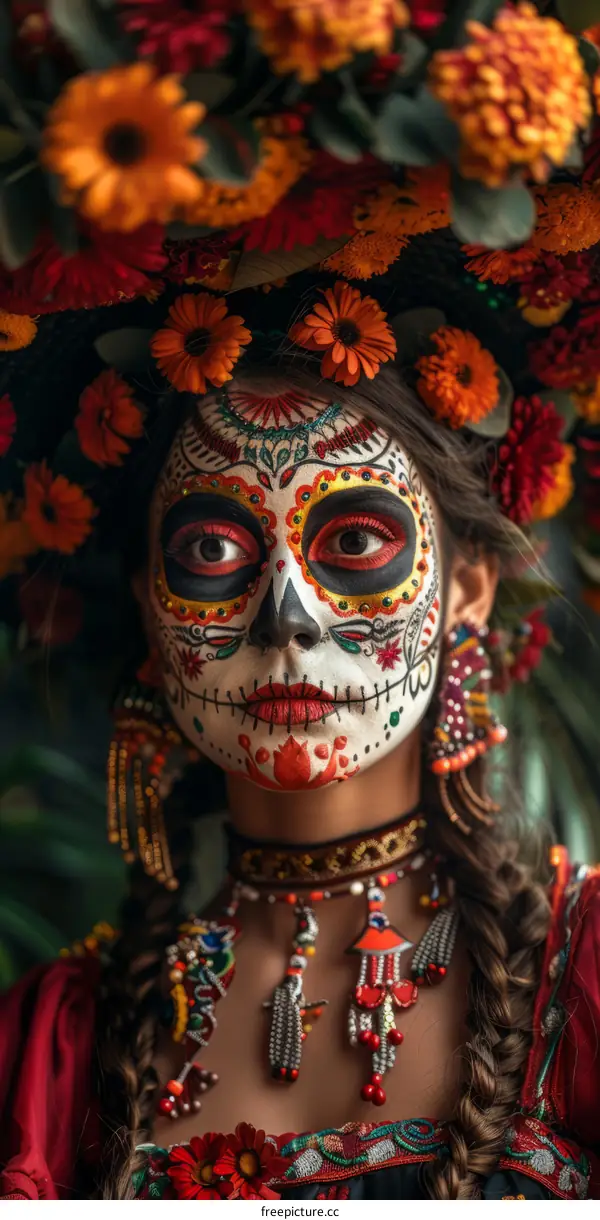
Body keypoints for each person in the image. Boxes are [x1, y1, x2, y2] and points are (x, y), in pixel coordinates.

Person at [1, 2, 600, 1200]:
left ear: (467, 586)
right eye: (216, 547)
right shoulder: (50, 1048)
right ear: (149, 610)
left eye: (359, 539)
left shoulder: (587, 974)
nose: (290, 613)